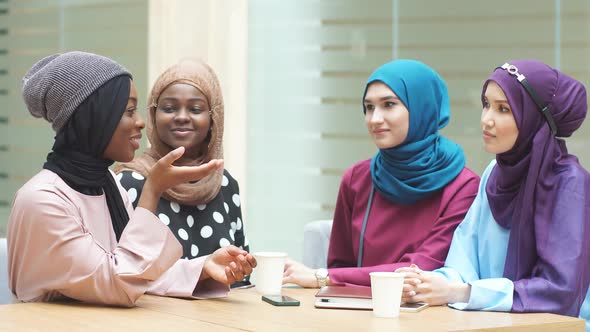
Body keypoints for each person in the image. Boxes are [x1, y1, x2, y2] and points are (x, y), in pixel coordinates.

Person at [7, 51, 256, 307]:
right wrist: (152, 191)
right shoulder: (42, 201)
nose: (140, 122)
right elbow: (118, 283)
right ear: (94, 119)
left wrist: (204, 267)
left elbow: (139, 272)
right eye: (128, 111)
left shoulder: (106, 185)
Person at [397, 59, 590, 330]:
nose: (486, 120)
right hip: (489, 323)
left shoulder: (570, 184)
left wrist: (462, 292)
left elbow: (560, 292)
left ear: (534, 118)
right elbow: (463, 260)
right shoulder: (494, 173)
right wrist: (427, 282)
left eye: (503, 109)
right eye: (486, 104)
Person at [283, 60, 480, 288]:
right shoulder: (357, 179)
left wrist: (323, 277)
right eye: (369, 107)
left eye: (388, 105)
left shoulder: (463, 186)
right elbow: (340, 265)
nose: (375, 119)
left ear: (421, 108)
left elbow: (418, 269)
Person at [114, 59, 250, 287]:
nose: (182, 116)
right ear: (153, 115)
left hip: (223, 319)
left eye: (195, 109)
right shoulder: (129, 182)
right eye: (169, 108)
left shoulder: (225, 184)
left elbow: (242, 273)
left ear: (213, 117)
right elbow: (122, 272)